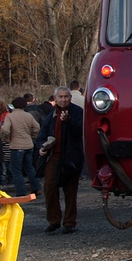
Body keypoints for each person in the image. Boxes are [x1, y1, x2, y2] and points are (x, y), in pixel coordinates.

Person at [35, 86, 84, 234]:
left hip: (71, 158)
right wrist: (41, 147)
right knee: (49, 189)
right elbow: (41, 136)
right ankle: (54, 221)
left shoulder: (77, 112)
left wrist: (68, 121)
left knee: (70, 191)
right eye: (60, 97)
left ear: (70, 98)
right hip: (53, 157)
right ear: (55, 99)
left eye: (66, 97)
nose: (63, 100)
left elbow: (80, 131)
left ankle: (69, 223)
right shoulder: (51, 115)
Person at [1, 96, 42, 197]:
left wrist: (6, 138)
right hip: (28, 144)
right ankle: (36, 188)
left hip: (16, 146)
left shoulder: (10, 117)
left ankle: (21, 191)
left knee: (16, 170)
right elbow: (37, 127)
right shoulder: (28, 116)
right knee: (29, 167)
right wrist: (32, 136)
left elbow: (5, 129)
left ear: (13, 105)